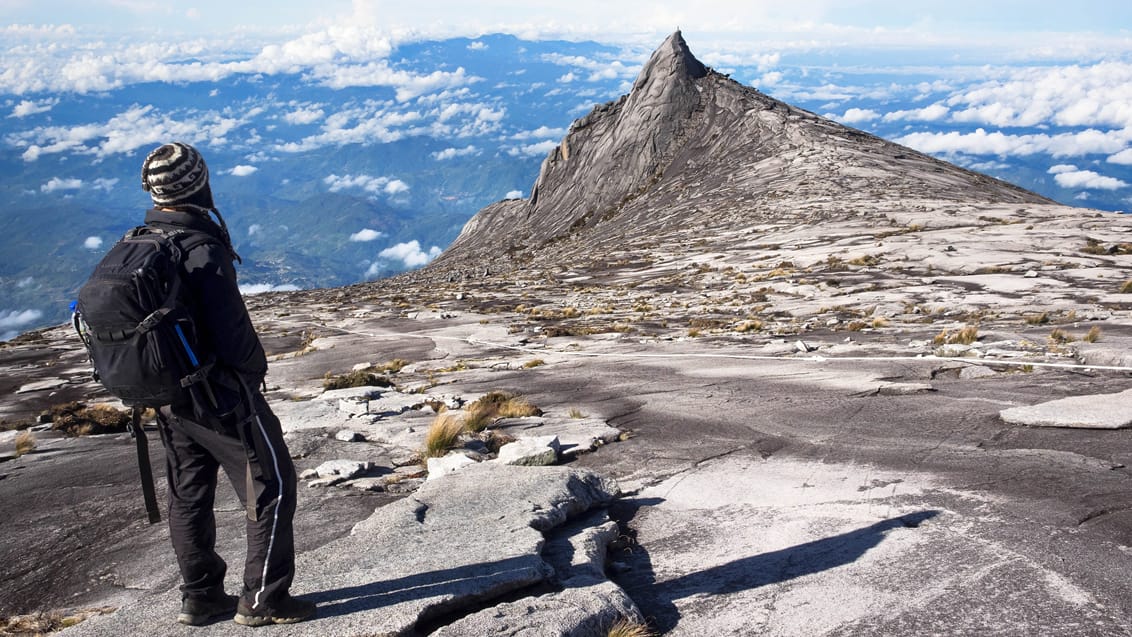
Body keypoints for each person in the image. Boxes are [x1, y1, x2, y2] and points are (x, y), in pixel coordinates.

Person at [138, 142, 314, 627]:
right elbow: (234, 336)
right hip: (221, 398)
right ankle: (264, 600)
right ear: (200, 184)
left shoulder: (143, 243)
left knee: (188, 494)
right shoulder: (199, 250)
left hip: (170, 401)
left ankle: (199, 597)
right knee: (273, 486)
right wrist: (251, 379)